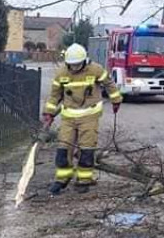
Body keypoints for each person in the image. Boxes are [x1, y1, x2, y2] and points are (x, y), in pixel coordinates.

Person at [42, 43, 122, 194]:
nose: (75, 67)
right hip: (68, 117)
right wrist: (48, 113)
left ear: (84, 61)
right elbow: (54, 96)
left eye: (78, 64)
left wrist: (116, 100)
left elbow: (110, 84)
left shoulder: (96, 69)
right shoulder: (61, 74)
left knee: (87, 149)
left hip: (89, 115)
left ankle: (83, 180)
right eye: (72, 65)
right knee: (63, 149)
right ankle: (62, 179)